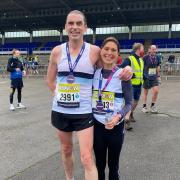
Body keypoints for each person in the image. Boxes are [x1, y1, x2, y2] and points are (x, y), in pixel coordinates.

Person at [47, 10, 133, 180]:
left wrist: (126, 69)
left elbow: (109, 67)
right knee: (66, 149)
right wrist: (58, 94)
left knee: (87, 158)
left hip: (84, 112)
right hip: (61, 111)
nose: (75, 27)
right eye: (71, 23)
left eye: (79, 23)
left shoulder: (94, 51)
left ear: (85, 27)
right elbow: (50, 81)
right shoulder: (56, 51)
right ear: (65, 27)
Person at [92, 37, 132, 180]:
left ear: (118, 54)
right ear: (101, 51)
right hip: (97, 127)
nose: (109, 53)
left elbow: (129, 102)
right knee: (99, 165)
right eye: (106, 49)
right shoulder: (94, 73)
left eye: (113, 50)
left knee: (113, 166)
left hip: (115, 128)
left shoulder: (123, 75)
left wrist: (118, 117)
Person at [121, 43, 144, 130]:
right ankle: (126, 121)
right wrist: (130, 74)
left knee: (136, 102)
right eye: (142, 49)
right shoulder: (129, 59)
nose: (143, 51)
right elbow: (122, 67)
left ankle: (130, 113)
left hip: (139, 84)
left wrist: (145, 76)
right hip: (130, 85)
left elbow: (141, 72)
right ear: (138, 49)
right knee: (129, 103)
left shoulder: (141, 60)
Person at [142, 45, 161, 113]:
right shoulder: (145, 57)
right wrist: (143, 76)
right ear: (149, 49)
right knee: (145, 92)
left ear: (156, 50)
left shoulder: (158, 57)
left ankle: (152, 106)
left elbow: (158, 66)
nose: (153, 50)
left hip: (154, 77)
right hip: (146, 77)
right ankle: (144, 106)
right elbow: (142, 66)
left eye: (154, 49)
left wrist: (158, 76)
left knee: (156, 91)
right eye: (152, 49)